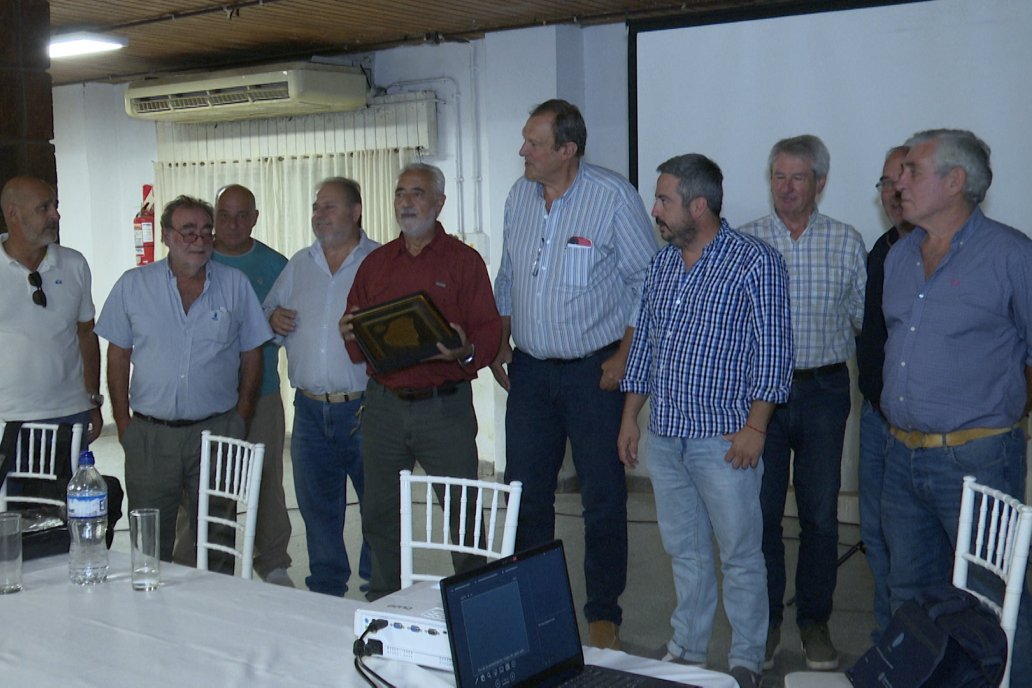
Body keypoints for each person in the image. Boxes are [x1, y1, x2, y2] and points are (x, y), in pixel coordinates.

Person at [618, 155, 792, 688]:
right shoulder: (662, 265)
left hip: (725, 440)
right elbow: (644, 346)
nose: (655, 210)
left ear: (699, 205)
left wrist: (756, 428)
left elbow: (774, 354)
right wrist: (630, 417)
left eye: (664, 200)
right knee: (684, 552)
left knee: (741, 555)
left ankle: (744, 659)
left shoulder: (753, 262)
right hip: (667, 437)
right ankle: (687, 649)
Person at [490, 99, 657, 649]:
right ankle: (533, 601)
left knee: (603, 497)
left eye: (534, 144)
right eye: (524, 140)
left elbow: (647, 284)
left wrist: (625, 357)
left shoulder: (612, 198)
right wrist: (499, 339)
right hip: (532, 373)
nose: (523, 151)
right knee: (525, 492)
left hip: (595, 374)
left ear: (568, 150)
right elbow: (510, 273)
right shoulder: (519, 196)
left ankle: (603, 613)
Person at [881, 128, 1032, 685]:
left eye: (912, 171)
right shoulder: (898, 257)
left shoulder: (1012, 255)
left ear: (956, 181)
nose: (899, 182)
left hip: (978, 461)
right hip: (902, 457)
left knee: (990, 606)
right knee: (910, 596)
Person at [340, 163, 501, 600]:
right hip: (384, 407)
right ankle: (386, 601)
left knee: (463, 512)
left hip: (443, 408)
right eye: (399, 193)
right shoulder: (374, 265)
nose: (406, 202)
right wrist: (349, 332)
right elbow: (357, 340)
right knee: (379, 513)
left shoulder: (463, 262)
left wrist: (466, 350)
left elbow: (488, 331)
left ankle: (475, 600)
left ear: (439, 203)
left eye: (417, 193)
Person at [738, 135, 866, 671]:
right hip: (758, 398)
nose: (786, 188)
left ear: (820, 183)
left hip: (822, 391)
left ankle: (813, 621)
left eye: (798, 178)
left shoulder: (846, 242)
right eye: (778, 177)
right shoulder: (743, 243)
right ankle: (765, 623)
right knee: (760, 514)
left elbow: (865, 324)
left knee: (818, 514)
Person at [96, 195, 272, 571]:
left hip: (216, 430)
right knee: (149, 542)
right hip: (150, 435)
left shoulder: (235, 285)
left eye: (206, 231)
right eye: (188, 230)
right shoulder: (133, 285)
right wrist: (124, 423)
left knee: (218, 539)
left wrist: (241, 416)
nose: (199, 239)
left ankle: (216, 618)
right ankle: (150, 618)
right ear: (166, 236)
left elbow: (252, 353)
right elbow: (118, 355)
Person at [264, 177, 377, 596]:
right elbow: (268, 313)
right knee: (318, 511)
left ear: (356, 211)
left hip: (366, 409)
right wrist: (273, 317)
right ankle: (326, 593)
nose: (320, 214)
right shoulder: (299, 264)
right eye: (316, 207)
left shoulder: (379, 262)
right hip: (309, 413)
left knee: (376, 509)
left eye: (330, 206)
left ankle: (375, 591)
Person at [0, 176, 123, 543]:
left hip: (69, 417)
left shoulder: (73, 264)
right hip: (8, 419)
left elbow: (87, 332)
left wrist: (93, 399)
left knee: (71, 520)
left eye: (54, 205)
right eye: (43, 207)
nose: (55, 214)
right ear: (12, 214)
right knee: (14, 527)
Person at [210, 184, 294, 587]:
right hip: (207, 402)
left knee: (266, 481)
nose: (232, 224)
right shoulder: (196, 260)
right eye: (224, 214)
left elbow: (295, 325)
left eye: (242, 215)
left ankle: (273, 562)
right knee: (208, 483)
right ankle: (212, 562)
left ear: (256, 218)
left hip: (261, 396)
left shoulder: (277, 266)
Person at [854, 146, 913, 639]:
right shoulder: (881, 249)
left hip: (928, 434)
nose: (892, 194)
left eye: (901, 181)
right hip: (877, 420)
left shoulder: (947, 252)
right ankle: (888, 646)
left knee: (916, 546)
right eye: (884, 184)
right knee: (875, 534)